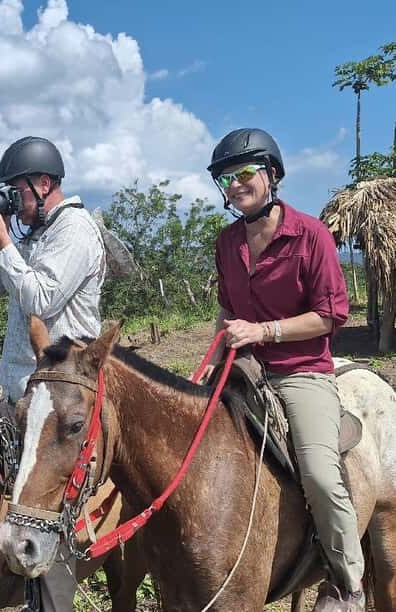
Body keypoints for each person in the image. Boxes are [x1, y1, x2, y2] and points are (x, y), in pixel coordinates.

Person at [205, 128, 364, 611]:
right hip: (242, 368)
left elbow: (331, 314)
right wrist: (208, 364)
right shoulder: (227, 241)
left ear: (272, 175)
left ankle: (346, 583)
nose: (235, 185)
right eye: (226, 179)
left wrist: (265, 332)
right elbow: (227, 312)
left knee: (317, 470)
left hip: (300, 371)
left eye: (244, 173)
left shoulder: (311, 235)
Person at [0, 135, 106, 612]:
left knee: (48, 503)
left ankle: (50, 603)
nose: (14, 201)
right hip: (20, 387)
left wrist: (6, 241)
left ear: (44, 184)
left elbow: (42, 299)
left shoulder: (75, 230)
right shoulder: (37, 233)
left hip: (60, 392)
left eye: (17, 192)